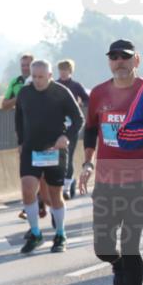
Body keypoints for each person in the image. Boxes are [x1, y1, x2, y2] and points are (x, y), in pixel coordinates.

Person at [86, 39, 143, 285]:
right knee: (103, 247)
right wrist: (87, 163)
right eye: (113, 57)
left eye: (124, 57)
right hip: (106, 178)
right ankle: (117, 264)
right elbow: (90, 130)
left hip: (140, 178)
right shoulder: (99, 93)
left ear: (136, 60)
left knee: (131, 242)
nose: (119, 62)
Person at [15, 59, 84, 254]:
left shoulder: (61, 92)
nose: (37, 81)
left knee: (55, 195)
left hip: (54, 149)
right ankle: (35, 233)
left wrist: (66, 137)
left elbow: (79, 119)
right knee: (28, 189)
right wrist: (20, 142)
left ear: (50, 76)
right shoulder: (24, 93)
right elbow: (19, 118)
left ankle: (60, 234)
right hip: (31, 149)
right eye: (34, 77)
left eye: (41, 77)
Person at [4, 53, 50, 222]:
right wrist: (20, 96)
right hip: (25, 134)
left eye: (27, 65)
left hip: (45, 136)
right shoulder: (16, 83)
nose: (24, 68)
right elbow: (4, 105)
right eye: (22, 65)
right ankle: (32, 205)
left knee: (43, 173)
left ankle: (45, 202)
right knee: (28, 174)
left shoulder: (44, 82)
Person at [57, 59, 90, 200]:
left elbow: (88, 100)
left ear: (71, 71)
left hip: (73, 125)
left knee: (68, 155)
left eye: (66, 69)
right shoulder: (55, 85)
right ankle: (58, 183)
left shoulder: (76, 86)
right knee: (57, 157)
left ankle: (66, 188)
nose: (63, 72)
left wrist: (80, 104)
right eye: (61, 69)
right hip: (57, 125)